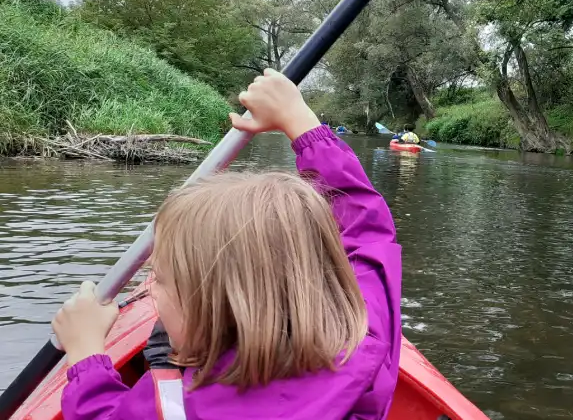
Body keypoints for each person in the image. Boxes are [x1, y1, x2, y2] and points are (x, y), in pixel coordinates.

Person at [52, 68, 402, 420]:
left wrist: (85, 355)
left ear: (212, 312)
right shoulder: (364, 326)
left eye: (159, 279)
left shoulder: (180, 409)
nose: (151, 290)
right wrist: (301, 123)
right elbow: (365, 228)